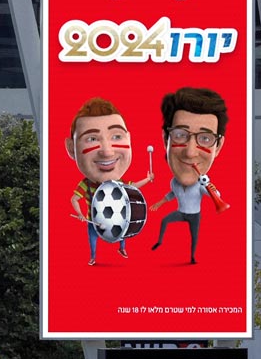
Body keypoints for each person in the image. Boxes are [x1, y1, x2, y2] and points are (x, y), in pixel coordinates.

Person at [64, 98, 153, 265]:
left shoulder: (118, 183)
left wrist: (147, 179)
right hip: (94, 220)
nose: (107, 152)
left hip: (119, 220)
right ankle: (93, 256)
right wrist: (80, 214)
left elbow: (132, 186)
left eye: (117, 136)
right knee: (92, 236)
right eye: (92, 139)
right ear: (71, 148)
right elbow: (74, 199)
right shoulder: (87, 184)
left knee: (123, 228)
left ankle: (122, 247)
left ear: (129, 140)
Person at [149, 87, 229, 264]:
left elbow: (215, 196)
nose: (190, 152)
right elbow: (171, 194)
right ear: (165, 140)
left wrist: (211, 188)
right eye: (180, 135)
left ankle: (193, 256)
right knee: (165, 221)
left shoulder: (201, 186)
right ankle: (160, 242)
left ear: (218, 147)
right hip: (180, 212)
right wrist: (160, 203)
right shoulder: (174, 183)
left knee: (194, 237)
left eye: (205, 138)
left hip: (194, 215)